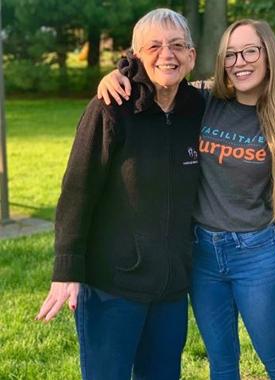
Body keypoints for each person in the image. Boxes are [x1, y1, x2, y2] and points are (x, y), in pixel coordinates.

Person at [98, 17, 275, 380]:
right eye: (230, 54)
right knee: (222, 362)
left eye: (250, 51)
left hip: (257, 256)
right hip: (202, 256)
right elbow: (160, 72)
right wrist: (114, 75)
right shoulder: (202, 100)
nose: (239, 61)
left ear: (267, 56)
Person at [36, 8, 205, 380]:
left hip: (171, 289)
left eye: (178, 46)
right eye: (155, 46)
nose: (168, 55)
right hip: (112, 286)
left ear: (192, 56)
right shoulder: (111, 107)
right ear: (135, 55)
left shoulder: (200, 109)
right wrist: (66, 268)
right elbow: (77, 191)